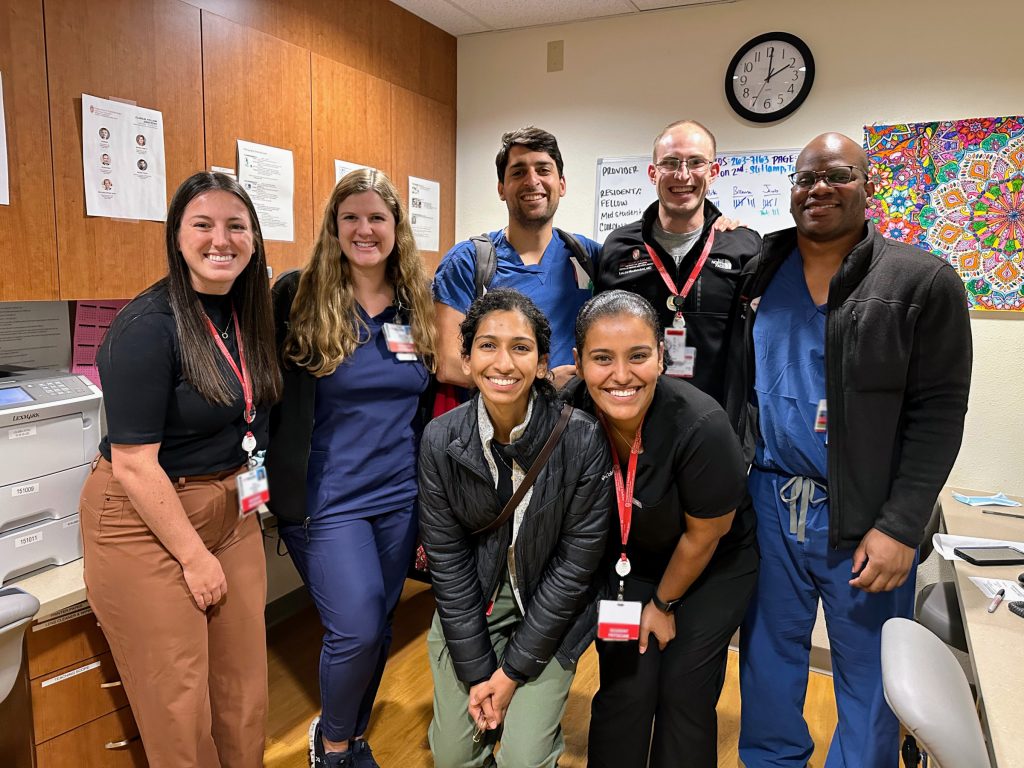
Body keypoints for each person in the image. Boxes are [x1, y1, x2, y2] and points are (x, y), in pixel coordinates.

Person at [727, 133, 972, 767]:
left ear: (869, 185)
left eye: (837, 175)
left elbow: (940, 414)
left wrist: (900, 524)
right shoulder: (762, 272)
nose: (818, 188)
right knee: (767, 660)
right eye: (806, 178)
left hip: (864, 513)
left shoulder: (920, 281)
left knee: (869, 676)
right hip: (770, 500)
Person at [79, 171, 281, 768]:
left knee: (245, 694)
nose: (221, 240)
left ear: (253, 238)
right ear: (177, 235)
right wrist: (194, 558)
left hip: (230, 512)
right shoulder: (145, 328)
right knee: (180, 710)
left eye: (236, 226)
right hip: (147, 521)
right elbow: (136, 466)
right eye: (203, 224)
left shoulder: (250, 313)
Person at [264, 168, 436, 768]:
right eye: (351, 218)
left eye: (377, 218)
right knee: (357, 627)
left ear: (396, 228)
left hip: (399, 495)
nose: (364, 229)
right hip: (326, 499)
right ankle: (332, 746)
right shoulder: (297, 296)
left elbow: (427, 393)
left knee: (381, 623)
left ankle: (356, 732)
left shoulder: (416, 301)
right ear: (333, 228)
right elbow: (261, 391)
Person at [418, 288, 611, 768]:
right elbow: (446, 559)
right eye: (487, 345)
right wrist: (481, 671)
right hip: (473, 603)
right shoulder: (440, 439)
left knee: (524, 759)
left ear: (543, 363)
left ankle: (522, 712)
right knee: (452, 756)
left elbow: (573, 571)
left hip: (548, 611)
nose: (503, 362)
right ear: (465, 359)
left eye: (520, 348)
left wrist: (509, 676)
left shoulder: (582, 438)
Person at [564, 290, 755, 768]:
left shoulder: (701, 424)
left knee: (683, 688)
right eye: (602, 359)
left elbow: (705, 536)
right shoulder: (568, 412)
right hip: (629, 567)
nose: (621, 376)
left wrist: (663, 604)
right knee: (627, 685)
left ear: (662, 356)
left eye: (639, 356)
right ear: (578, 361)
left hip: (714, 567)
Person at [596, 120, 761, 406]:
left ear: (713, 172)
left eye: (696, 162)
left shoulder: (743, 247)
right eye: (670, 163)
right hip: (635, 414)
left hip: (717, 419)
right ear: (652, 172)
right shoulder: (619, 247)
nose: (682, 175)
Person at [432, 126, 601, 391]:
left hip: (576, 423)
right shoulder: (468, 262)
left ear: (562, 184)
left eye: (543, 170)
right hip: (497, 427)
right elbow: (450, 365)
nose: (532, 181)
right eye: (519, 172)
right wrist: (544, 383)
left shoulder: (589, 256)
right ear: (501, 188)